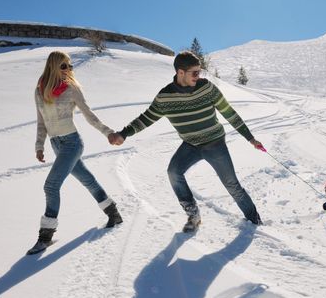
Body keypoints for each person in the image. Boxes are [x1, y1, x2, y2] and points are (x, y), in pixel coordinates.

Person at [109, 51, 263, 232]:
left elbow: (229, 113)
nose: (199, 77)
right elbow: (146, 119)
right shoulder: (165, 97)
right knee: (174, 172)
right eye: (195, 73)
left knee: (232, 184)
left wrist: (250, 138)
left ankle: (255, 221)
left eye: (200, 72)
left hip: (215, 144)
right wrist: (124, 134)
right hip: (190, 145)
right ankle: (193, 214)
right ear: (180, 72)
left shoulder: (207, 88)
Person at [27, 51, 123, 255]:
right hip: (57, 144)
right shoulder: (39, 91)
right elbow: (41, 121)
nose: (68, 70)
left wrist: (108, 132)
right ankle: (113, 214)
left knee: (50, 186)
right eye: (64, 66)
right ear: (53, 66)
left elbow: (89, 115)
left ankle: (45, 236)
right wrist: (39, 145)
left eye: (70, 66)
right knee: (87, 179)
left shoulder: (71, 89)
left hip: (72, 143)